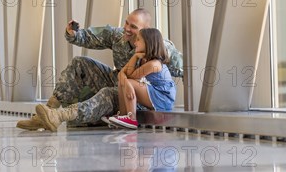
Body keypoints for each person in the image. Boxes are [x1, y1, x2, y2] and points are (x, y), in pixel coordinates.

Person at [16, 9, 183, 131]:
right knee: (79, 63)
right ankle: (47, 114)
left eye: (133, 26)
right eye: (126, 22)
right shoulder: (118, 36)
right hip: (121, 80)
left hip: (139, 98)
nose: (126, 28)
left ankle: (61, 116)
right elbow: (90, 37)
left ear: (145, 30)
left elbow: (182, 68)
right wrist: (73, 34)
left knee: (109, 93)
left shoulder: (160, 46)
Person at [108, 28, 176, 129]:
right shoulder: (143, 60)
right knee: (123, 82)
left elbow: (130, 76)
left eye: (138, 40)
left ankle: (131, 118)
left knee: (127, 82)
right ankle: (122, 116)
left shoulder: (154, 64)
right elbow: (123, 74)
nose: (135, 42)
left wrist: (127, 83)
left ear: (148, 43)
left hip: (163, 98)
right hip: (156, 94)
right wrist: (134, 57)